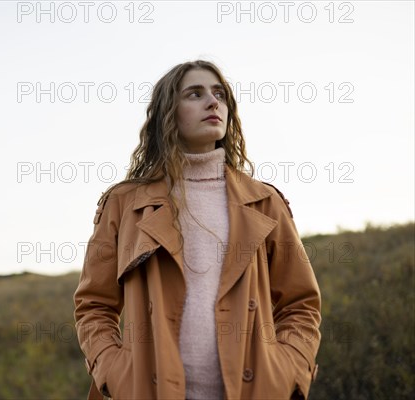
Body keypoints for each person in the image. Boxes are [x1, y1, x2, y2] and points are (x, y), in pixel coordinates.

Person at [73, 60, 322, 400]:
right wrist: (114, 369)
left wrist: (289, 367)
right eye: (195, 93)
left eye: (219, 94)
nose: (212, 102)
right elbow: (93, 305)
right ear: (168, 111)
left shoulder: (265, 202)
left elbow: (300, 304)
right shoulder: (124, 203)